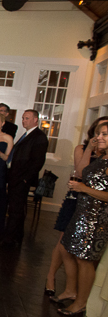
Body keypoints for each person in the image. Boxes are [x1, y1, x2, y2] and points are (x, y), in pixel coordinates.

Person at [45, 117, 108, 296]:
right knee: (64, 244)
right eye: (98, 132)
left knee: (85, 255)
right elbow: (80, 172)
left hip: (95, 209)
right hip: (76, 200)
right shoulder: (84, 149)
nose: (100, 136)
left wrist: (84, 188)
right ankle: (53, 278)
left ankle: (81, 294)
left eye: (105, 133)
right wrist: (90, 148)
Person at [2, 109, 49, 248]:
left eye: (27, 118)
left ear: (36, 120)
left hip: (21, 179)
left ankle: (9, 239)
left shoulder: (39, 137)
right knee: (16, 209)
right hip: (15, 177)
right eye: (23, 118)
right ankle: (16, 236)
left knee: (15, 210)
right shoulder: (27, 134)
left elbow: (37, 162)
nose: (24, 121)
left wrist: (25, 179)